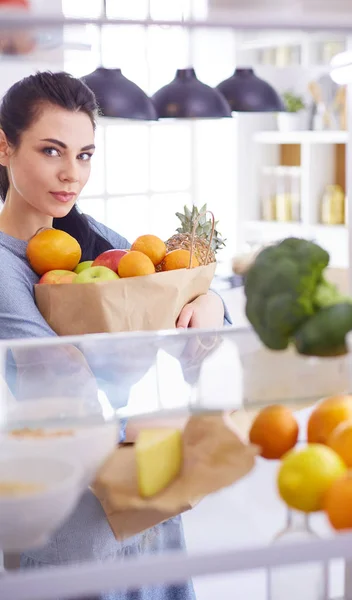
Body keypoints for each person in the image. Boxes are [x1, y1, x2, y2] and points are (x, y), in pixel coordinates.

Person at [0, 70, 228, 600]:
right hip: (79, 529)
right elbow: (64, 391)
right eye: (52, 151)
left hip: (152, 511)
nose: (71, 175)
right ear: (4, 147)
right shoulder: (3, 270)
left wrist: (209, 302)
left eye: (84, 155)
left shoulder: (103, 242)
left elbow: (196, 321)